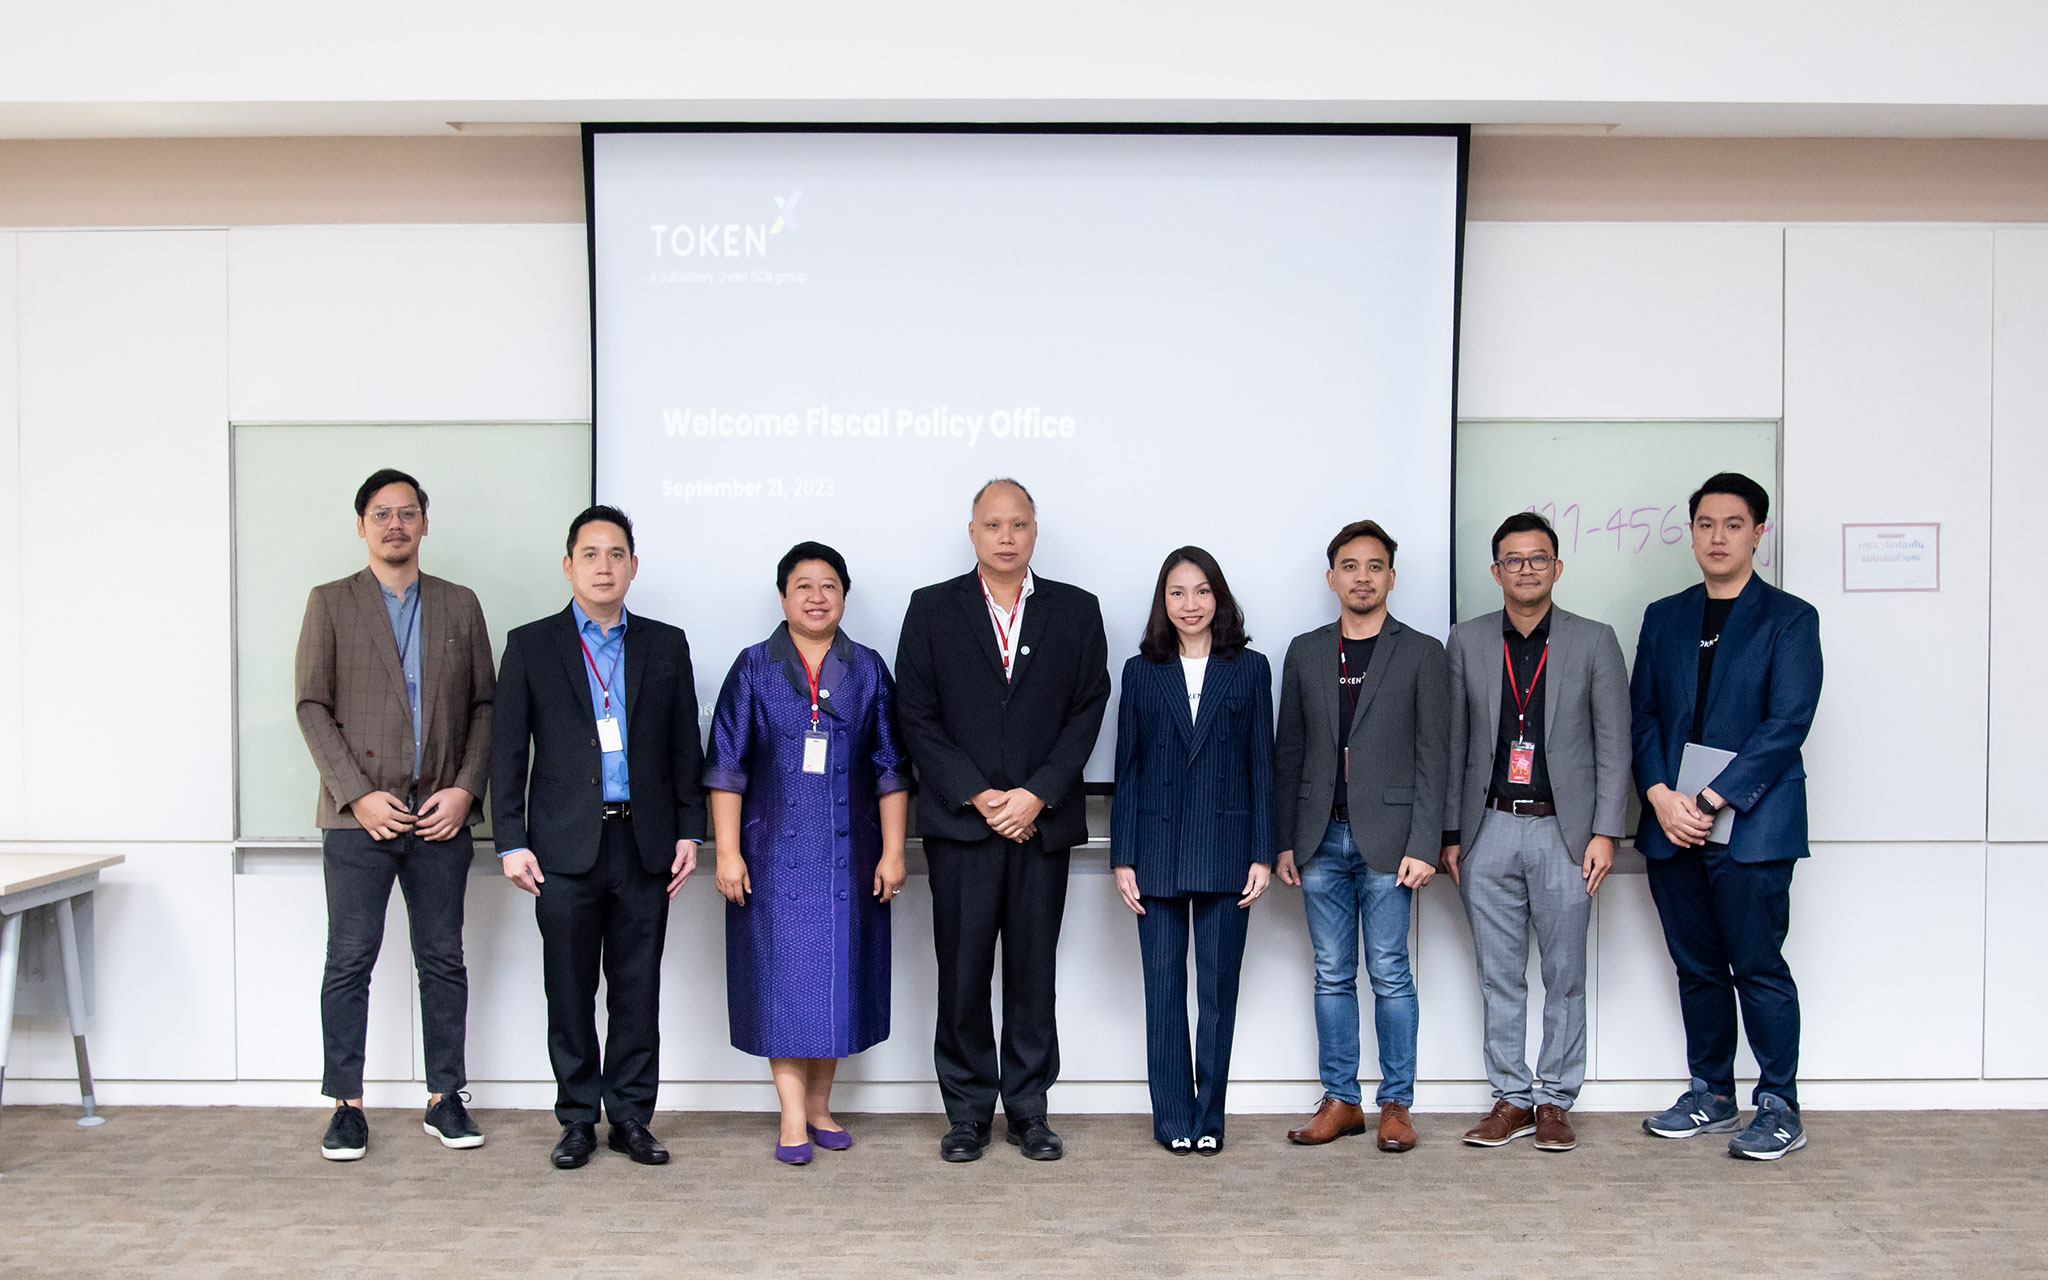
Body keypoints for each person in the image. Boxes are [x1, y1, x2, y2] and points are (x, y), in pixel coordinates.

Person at [894, 478, 1111, 1163]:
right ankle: (966, 1114)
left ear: (1035, 531)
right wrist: (979, 795)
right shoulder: (932, 608)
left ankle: (1028, 1111)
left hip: (1040, 826)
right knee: (961, 976)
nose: (1007, 536)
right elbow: (914, 713)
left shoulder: (1076, 610)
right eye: (993, 525)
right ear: (973, 532)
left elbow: (1088, 710)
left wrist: (1037, 794)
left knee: (1032, 975)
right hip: (964, 827)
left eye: (1018, 524)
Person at [490, 505, 706, 1170]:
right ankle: (578, 1117)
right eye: (590, 554)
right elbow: (507, 752)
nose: (603, 566)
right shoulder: (531, 645)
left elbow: (684, 748)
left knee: (637, 989)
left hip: (645, 843)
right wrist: (509, 839)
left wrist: (691, 831)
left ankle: (632, 1117)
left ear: (633, 566)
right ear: (568, 566)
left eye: (616, 554)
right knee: (569, 988)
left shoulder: (665, 645)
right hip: (562, 849)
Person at [295, 468, 495, 1162]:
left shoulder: (459, 604)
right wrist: (356, 794)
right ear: (361, 526)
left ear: (425, 524)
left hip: (440, 814)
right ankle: (346, 1107)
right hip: (359, 819)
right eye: (381, 514)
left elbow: (485, 707)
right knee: (349, 960)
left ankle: (445, 1097)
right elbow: (311, 706)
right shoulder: (331, 602)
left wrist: (465, 790)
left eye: (407, 513)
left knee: (443, 959)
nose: (395, 525)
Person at [1631, 472, 1822, 1161]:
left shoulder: (1790, 619)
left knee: (1758, 967)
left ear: (1758, 533)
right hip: (1672, 824)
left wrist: (1712, 799)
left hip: (1752, 824)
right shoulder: (1665, 615)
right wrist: (1660, 795)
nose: (1718, 537)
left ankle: (1779, 1105)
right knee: (1698, 968)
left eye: (1733, 524)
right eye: (1706, 524)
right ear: (1692, 533)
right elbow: (1643, 714)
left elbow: (1787, 723)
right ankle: (1711, 1093)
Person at [705, 542, 911, 1165]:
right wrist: (728, 853)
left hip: (851, 857)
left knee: (838, 983)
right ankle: (792, 1116)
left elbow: (891, 768)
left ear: (844, 596)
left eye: (829, 586)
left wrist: (894, 851)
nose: (817, 597)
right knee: (783, 985)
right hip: (770, 859)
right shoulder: (753, 667)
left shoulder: (868, 668)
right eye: (803, 586)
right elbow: (726, 769)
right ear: (783, 597)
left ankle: (820, 1107)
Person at [1440, 512, 1630, 1153]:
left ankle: (1555, 1099)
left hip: (1566, 834)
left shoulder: (1594, 640)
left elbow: (1615, 745)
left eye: (1538, 557)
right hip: (1488, 828)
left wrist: (1605, 832)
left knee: (1565, 974)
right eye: (1514, 560)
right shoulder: (1466, 641)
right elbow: (1453, 744)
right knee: (1499, 976)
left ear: (1558, 567)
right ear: (1496, 571)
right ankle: (1510, 1097)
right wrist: (1451, 835)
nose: (1527, 569)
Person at [1273, 519, 1447, 1153]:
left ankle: (1396, 1104)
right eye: (1350, 566)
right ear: (1332, 578)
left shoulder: (1423, 652)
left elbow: (1435, 755)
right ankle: (1341, 1100)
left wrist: (1425, 843)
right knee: (1330, 973)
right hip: (1319, 838)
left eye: (1375, 566)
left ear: (1391, 577)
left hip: (1391, 842)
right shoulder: (1305, 651)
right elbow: (1289, 751)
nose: (1363, 577)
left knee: (1391, 972)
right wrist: (1285, 839)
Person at [1110, 547, 1276, 1155]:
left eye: (1202, 591)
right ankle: (1172, 1118)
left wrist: (1263, 852)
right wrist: (1122, 856)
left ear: (1219, 598)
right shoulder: (1140, 671)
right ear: (1163, 602)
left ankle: (1210, 1119)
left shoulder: (1250, 668)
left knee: (1217, 992)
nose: (1190, 604)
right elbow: (1127, 767)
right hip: (1154, 850)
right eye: (1177, 593)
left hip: (1229, 850)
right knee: (1162, 991)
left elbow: (1262, 764)